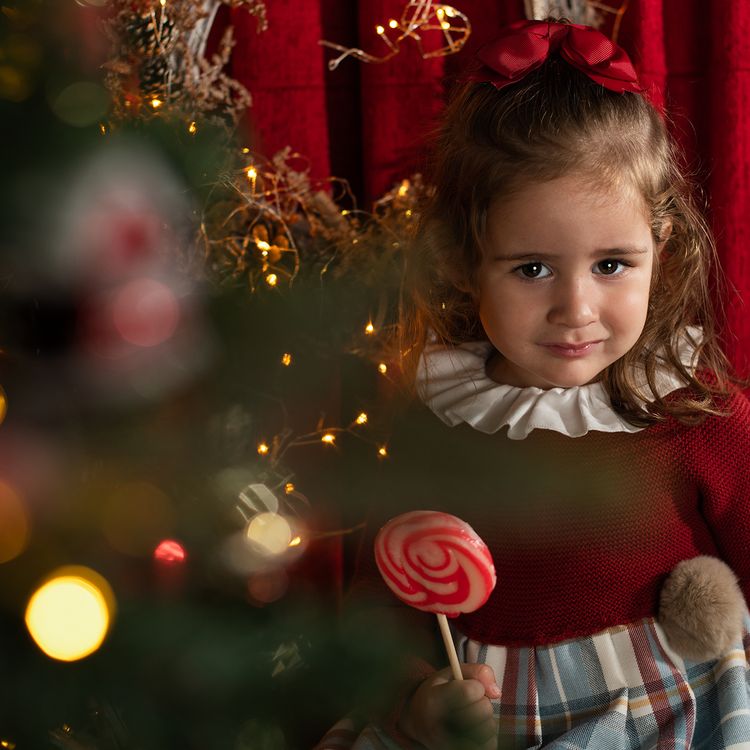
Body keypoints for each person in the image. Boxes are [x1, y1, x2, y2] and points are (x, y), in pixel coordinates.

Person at [316, 17, 750, 750]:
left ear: (661, 251)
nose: (575, 309)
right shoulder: (429, 424)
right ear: (461, 261)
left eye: (612, 264)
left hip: (673, 719)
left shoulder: (698, 417)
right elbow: (377, 619)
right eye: (530, 268)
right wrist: (415, 700)